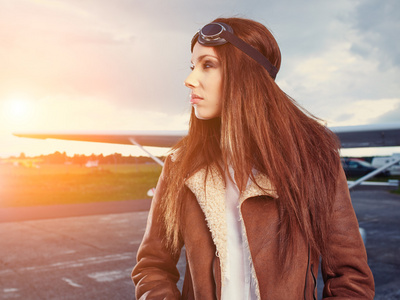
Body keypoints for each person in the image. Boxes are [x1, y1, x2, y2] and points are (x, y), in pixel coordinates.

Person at [132, 17, 375, 299]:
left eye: (208, 65)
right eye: (193, 66)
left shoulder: (316, 161)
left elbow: (351, 279)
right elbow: (152, 268)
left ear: (246, 74)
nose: (189, 79)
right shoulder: (180, 166)